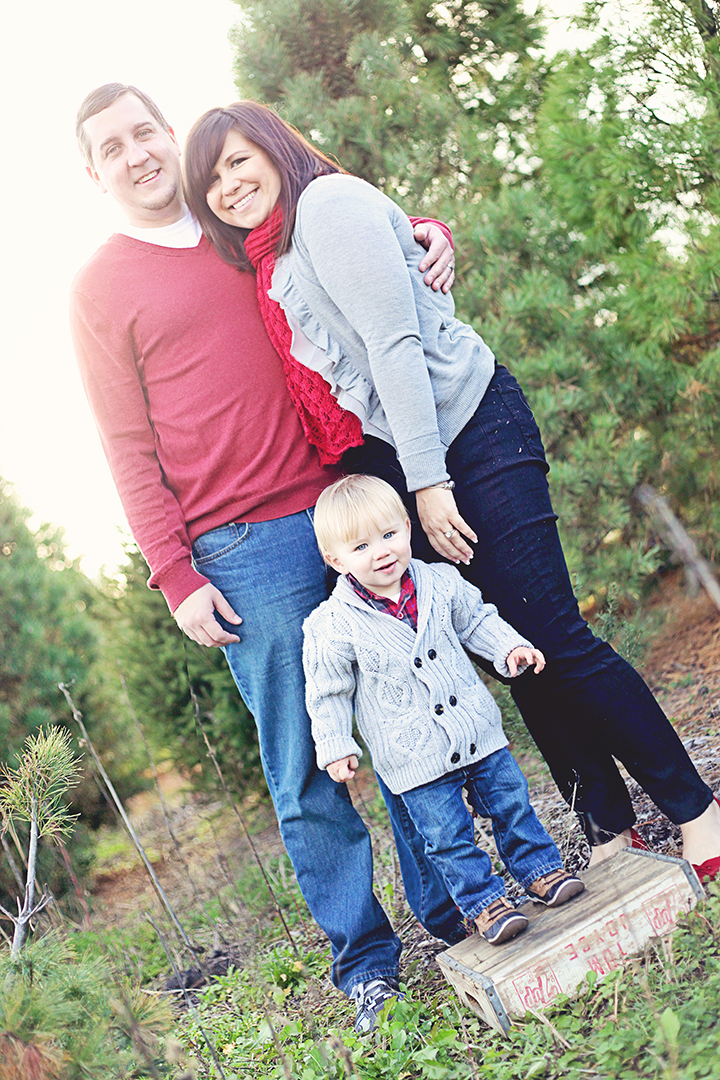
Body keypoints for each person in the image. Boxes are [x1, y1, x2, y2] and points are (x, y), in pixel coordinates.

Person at [182, 100, 720, 890]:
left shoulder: (325, 205)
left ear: (275, 151)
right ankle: (608, 827)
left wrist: (430, 482)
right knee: (513, 648)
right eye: (212, 179)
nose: (229, 185)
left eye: (238, 161)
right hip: (409, 458)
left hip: (468, 432)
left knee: (553, 633)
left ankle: (696, 809)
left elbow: (396, 344)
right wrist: (421, 231)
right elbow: (387, 267)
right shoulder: (274, 257)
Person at [70, 82, 467, 1034]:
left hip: (345, 507)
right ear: (95, 172)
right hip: (241, 547)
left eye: (144, 133)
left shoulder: (230, 224)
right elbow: (124, 445)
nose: (136, 155)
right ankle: (366, 963)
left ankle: (454, 913)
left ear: (171, 135)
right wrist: (175, 575)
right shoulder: (99, 287)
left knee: (402, 715)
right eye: (111, 148)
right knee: (307, 762)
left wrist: (422, 228)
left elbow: (337, 223)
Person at [304, 474, 585, 959]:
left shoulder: (439, 582)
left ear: (407, 527)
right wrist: (335, 746)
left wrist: (509, 648)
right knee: (447, 837)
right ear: (336, 560)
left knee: (511, 804)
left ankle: (540, 869)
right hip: (413, 757)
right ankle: (486, 902)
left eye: (390, 535)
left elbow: (478, 621)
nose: (382, 552)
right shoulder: (331, 625)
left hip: (476, 730)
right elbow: (328, 691)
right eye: (361, 546)